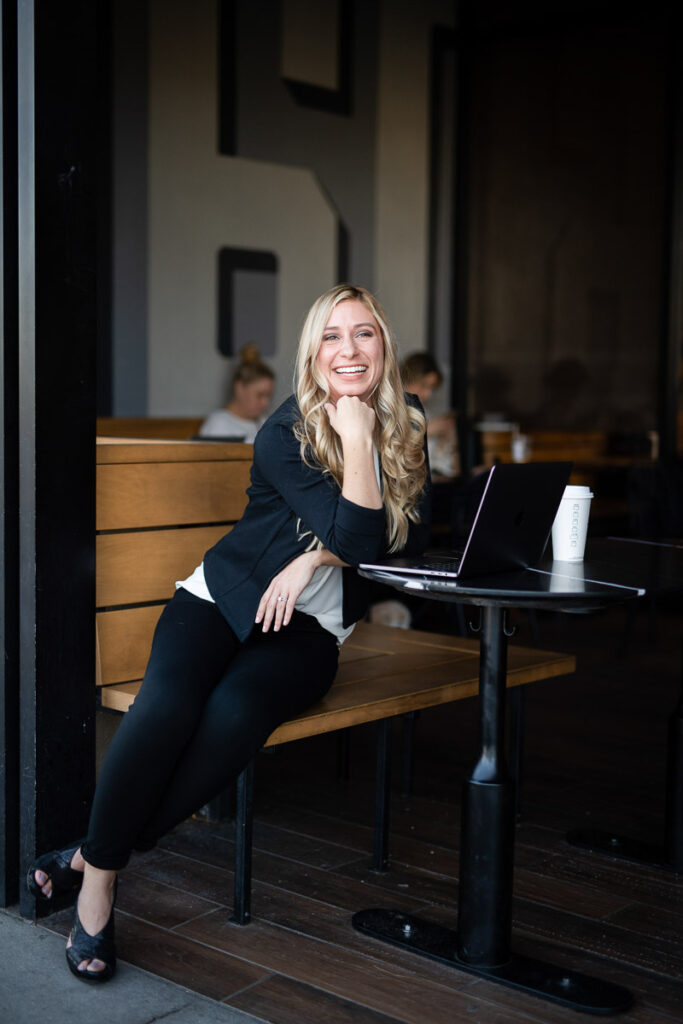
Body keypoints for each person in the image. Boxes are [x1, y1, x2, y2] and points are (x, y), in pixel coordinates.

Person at [28, 284, 431, 983]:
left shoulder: (407, 423)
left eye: (363, 334)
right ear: (314, 354)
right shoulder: (285, 430)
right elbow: (364, 532)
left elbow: (390, 541)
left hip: (307, 627)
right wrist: (350, 450)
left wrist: (314, 551)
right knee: (167, 708)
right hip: (222, 594)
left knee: (236, 714)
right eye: (332, 336)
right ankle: (98, 890)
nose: (349, 349)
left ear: (382, 347)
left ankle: (92, 853)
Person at [400, 352, 459, 480]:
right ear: (409, 378)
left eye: (431, 388)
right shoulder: (392, 409)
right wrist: (427, 431)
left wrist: (448, 439)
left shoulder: (426, 412)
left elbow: (451, 468)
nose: (428, 394)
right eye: (423, 386)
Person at [199, 343, 275, 442]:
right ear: (239, 388)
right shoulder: (218, 425)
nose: (265, 403)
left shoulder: (265, 422)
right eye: (259, 395)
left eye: (268, 396)